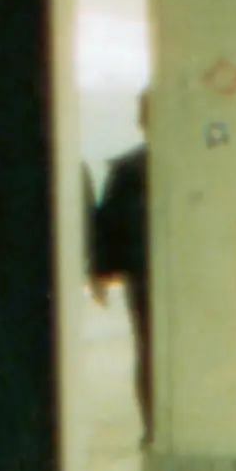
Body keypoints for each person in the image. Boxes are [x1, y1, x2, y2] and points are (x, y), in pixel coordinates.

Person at [86, 93, 153, 438]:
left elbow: (107, 224)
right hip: (146, 275)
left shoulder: (126, 169)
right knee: (151, 349)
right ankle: (154, 424)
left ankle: (154, 426)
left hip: (144, 274)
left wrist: (100, 272)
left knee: (150, 348)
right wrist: (100, 272)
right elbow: (109, 224)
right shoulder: (127, 170)